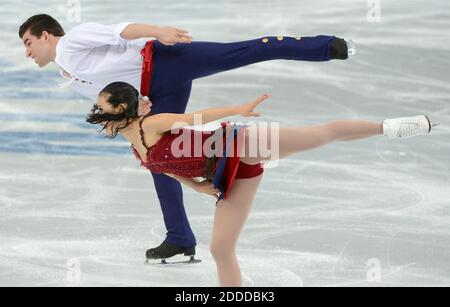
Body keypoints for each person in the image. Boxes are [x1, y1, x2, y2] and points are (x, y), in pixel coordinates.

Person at [20, 14, 355, 261]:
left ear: (46, 35)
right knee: (155, 159)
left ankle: (326, 46)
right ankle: (179, 236)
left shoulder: (72, 41)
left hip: (166, 61)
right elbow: (117, 108)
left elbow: (120, 32)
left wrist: (158, 31)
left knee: (237, 53)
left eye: (28, 42)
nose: (27, 51)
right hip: (151, 95)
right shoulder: (71, 77)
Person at [86, 82, 437, 286]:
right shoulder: (136, 147)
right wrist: (196, 187)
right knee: (221, 250)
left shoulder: (153, 124)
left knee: (321, 134)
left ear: (119, 109)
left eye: (101, 105)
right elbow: (162, 168)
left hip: (242, 145)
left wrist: (238, 107)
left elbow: (195, 117)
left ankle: (390, 127)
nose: (96, 111)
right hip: (230, 176)